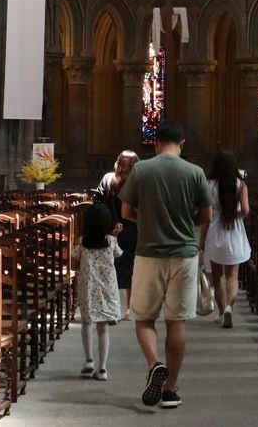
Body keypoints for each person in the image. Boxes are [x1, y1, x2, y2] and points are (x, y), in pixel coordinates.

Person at [120, 120, 212, 411]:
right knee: (177, 322)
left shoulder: (142, 170)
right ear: (182, 144)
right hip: (184, 255)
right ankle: (171, 389)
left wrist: (147, 223)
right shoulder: (195, 172)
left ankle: (154, 363)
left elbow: (125, 211)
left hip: (149, 252)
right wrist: (185, 226)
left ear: (156, 142)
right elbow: (206, 215)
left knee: (144, 318)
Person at [75, 199, 122, 381]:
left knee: (87, 323)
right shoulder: (110, 241)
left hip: (87, 287)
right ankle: (102, 369)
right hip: (106, 289)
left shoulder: (82, 242)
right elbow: (118, 254)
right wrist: (115, 234)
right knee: (103, 328)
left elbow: (74, 261)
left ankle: (88, 360)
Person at [202, 153, 250, 328]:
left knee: (217, 276)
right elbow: (245, 210)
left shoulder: (209, 185)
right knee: (232, 276)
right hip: (234, 229)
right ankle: (230, 307)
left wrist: (201, 241)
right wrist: (233, 215)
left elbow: (206, 216)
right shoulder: (240, 184)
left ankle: (221, 313)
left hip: (215, 230)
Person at [99, 150, 140, 318]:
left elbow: (99, 202)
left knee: (111, 267)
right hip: (130, 229)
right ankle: (129, 308)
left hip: (110, 228)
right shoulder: (135, 181)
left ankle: (110, 306)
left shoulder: (107, 178)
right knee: (130, 267)